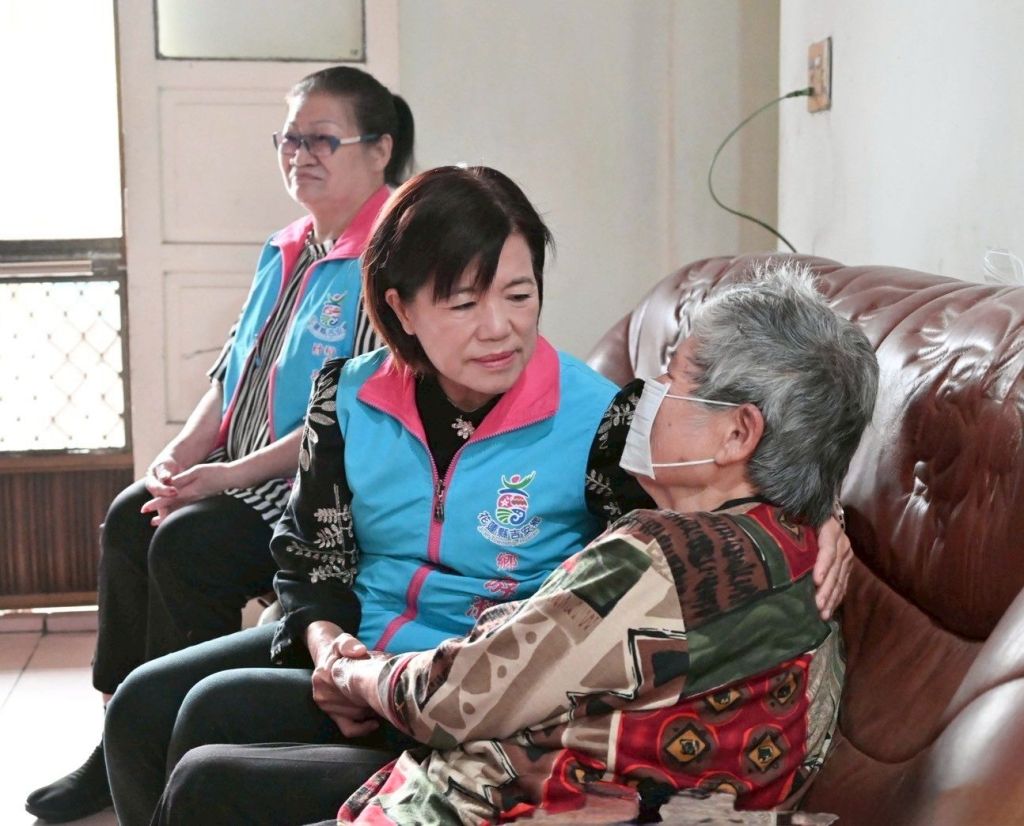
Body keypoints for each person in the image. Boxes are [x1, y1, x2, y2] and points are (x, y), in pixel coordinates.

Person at [104, 167, 852, 826]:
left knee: (211, 735)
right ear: (402, 309)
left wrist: (826, 515)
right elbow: (311, 559)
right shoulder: (348, 397)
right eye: (462, 303)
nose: (500, 328)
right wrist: (328, 649)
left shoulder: (602, 420)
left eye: (519, 295)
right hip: (356, 645)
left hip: (471, 687)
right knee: (144, 705)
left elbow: (737, 482)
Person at [323, 265, 880, 824]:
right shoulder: (806, 551)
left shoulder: (659, 557)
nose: (646, 396)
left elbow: (447, 701)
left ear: (737, 433)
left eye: (671, 377)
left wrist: (349, 672)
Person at [25, 65, 414, 824]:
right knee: (132, 512)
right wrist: (181, 455)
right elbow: (232, 374)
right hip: (244, 471)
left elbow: (349, 416)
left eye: (322, 140)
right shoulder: (289, 245)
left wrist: (225, 476)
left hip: (317, 490)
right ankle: (117, 739)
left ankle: (178, 739)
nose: (300, 155)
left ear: (380, 149)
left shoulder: (391, 255)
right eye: (290, 139)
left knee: (188, 543)